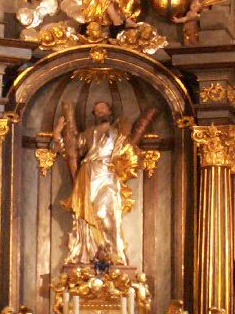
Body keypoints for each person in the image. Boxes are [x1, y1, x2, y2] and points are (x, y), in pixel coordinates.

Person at [53, 100, 157, 266]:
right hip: (87, 174)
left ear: (110, 111)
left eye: (103, 110)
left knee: (108, 214)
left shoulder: (120, 133)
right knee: (86, 216)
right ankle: (86, 255)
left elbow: (131, 154)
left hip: (108, 175)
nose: (100, 113)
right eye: (97, 111)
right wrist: (58, 134)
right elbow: (70, 149)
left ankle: (114, 255)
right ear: (94, 116)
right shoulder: (89, 133)